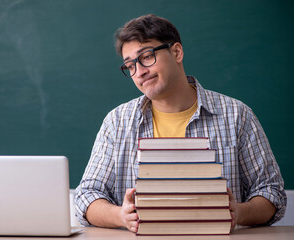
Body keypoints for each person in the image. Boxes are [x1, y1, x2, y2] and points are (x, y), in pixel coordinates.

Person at [75, 14, 286, 233]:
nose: (139, 72)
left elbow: (271, 192)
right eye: (130, 66)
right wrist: (120, 215)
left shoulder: (237, 116)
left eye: (146, 56)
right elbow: (87, 195)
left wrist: (237, 212)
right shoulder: (116, 123)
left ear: (176, 52)